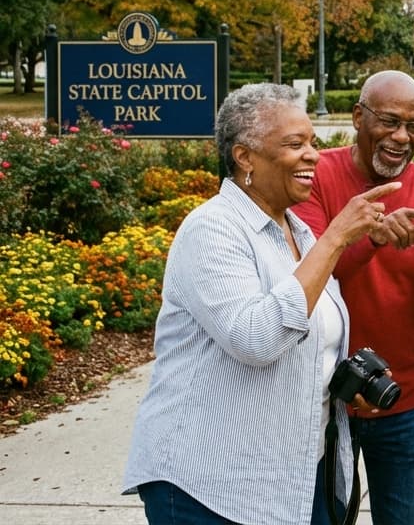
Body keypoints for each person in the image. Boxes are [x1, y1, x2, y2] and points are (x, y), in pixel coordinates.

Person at [123, 83, 398, 525]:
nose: (312, 155)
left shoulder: (299, 233)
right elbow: (257, 339)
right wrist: (336, 238)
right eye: (294, 144)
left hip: (295, 473)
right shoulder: (212, 230)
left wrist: (341, 383)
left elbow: (308, 335)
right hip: (210, 485)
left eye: (312, 142)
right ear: (245, 157)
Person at [292, 70, 414, 525]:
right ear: (358, 117)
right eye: (389, 122)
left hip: (402, 394)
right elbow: (307, 280)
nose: (401, 137)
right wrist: (370, 238)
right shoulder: (316, 177)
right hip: (322, 396)